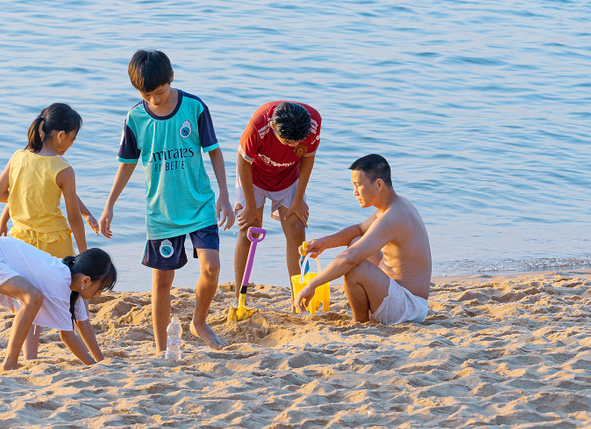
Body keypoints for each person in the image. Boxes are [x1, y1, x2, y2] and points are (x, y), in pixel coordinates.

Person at [98, 49, 235, 355]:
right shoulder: (135, 117)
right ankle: (162, 350)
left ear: (171, 78)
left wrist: (224, 195)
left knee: (211, 267)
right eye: (147, 95)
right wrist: (110, 205)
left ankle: (199, 323)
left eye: (159, 93)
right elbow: (127, 163)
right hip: (161, 213)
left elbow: (214, 151)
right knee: (162, 282)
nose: (155, 101)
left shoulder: (194, 107)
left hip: (199, 204)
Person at [0, 103, 99, 360]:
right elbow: (72, 216)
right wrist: (84, 252)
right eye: (72, 138)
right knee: (77, 303)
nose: (71, 144)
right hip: (55, 244)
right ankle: (96, 357)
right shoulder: (64, 169)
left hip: (22, 243)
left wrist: (7, 216)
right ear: (60, 135)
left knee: (30, 302)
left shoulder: (18, 157)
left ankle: (30, 358)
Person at [0, 236, 116, 371]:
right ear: (85, 281)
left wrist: (100, 362)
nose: (99, 295)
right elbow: (67, 336)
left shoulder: (72, 288)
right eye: (100, 289)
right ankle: (9, 363)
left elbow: (84, 325)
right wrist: (92, 366)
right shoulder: (59, 282)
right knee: (32, 297)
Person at [294, 154, 431, 324]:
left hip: (409, 308)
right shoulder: (392, 206)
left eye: (358, 185)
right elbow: (358, 230)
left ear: (378, 184)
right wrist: (323, 244)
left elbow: (350, 258)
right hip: (397, 295)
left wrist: (312, 285)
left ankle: (359, 323)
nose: (355, 192)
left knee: (354, 265)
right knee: (355, 240)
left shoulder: (394, 216)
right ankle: (366, 316)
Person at [234, 101, 322, 302]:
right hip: (253, 176)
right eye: (288, 142)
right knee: (249, 230)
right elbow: (243, 161)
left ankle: (297, 299)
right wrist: (249, 206)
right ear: (273, 127)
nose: (293, 147)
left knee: (296, 229)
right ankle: (239, 297)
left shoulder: (314, 121)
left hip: (288, 178)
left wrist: (299, 199)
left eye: (297, 143)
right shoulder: (259, 124)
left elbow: (308, 157)